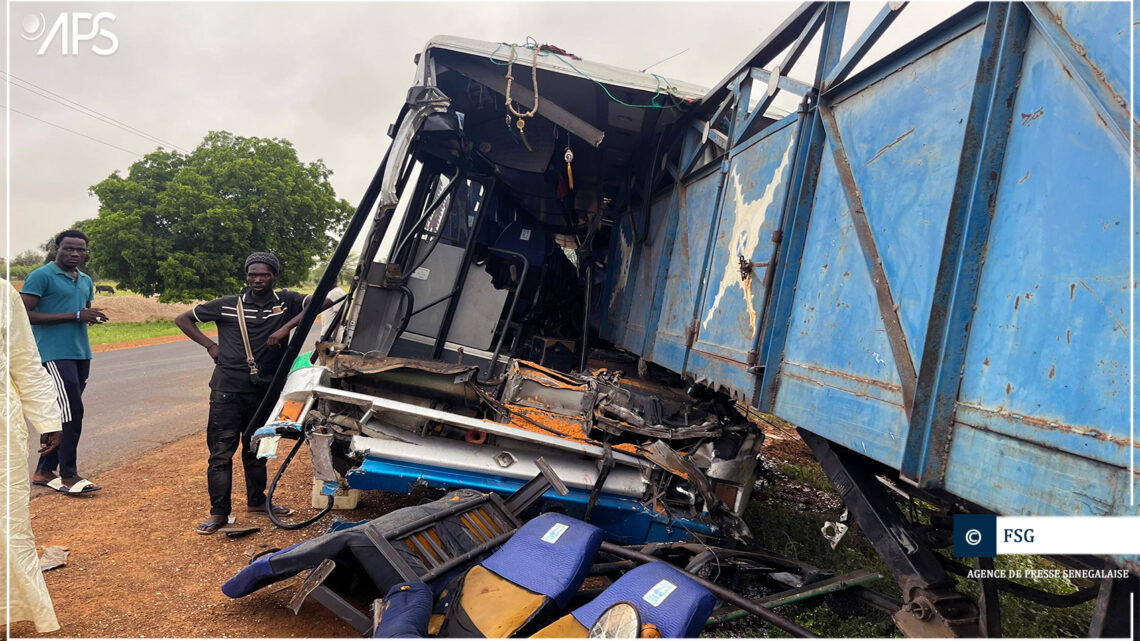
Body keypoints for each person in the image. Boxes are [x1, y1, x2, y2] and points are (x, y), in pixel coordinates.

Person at [175, 252, 332, 535]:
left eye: (265, 274)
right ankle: (219, 513)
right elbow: (183, 319)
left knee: (257, 446)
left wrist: (285, 327)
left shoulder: (287, 301)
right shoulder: (226, 306)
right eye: (252, 274)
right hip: (227, 389)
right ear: (246, 276)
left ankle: (257, 501)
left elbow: (328, 299)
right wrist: (210, 346)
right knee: (221, 453)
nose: (258, 279)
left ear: (275, 276)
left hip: (266, 390)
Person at [20, 229, 107, 495]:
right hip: (52, 353)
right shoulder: (41, 275)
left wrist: (90, 316)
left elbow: (82, 311)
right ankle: (68, 475)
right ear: (56, 249)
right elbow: (24, 314)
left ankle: (45, 470)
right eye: (68, 248)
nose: (74, 254)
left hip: (80, 352)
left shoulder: (85, 279)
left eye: (80, 250)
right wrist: (75, 315)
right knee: (73, 412)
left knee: (63, 412)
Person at [2, 277, 64, 632]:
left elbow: (24, 359)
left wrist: (47, 419)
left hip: (0, 429)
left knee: (5, 522)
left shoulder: (2, 293)